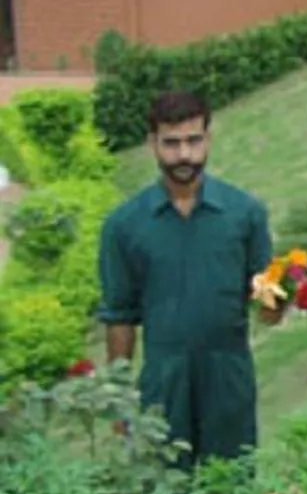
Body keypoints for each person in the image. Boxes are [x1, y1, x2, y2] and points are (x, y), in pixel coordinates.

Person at [97, 90, 280, 467]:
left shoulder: (244, 213)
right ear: (153, 143)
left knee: (232, 488)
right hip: (163, 379)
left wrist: (286, 299)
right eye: (172, 143)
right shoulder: (124, 225)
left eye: (194, 141)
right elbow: (119, 315)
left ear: (208, 139)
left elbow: (266, 301)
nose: (184, 155)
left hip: (228, 375)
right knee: (164, 493)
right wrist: (119, 397)